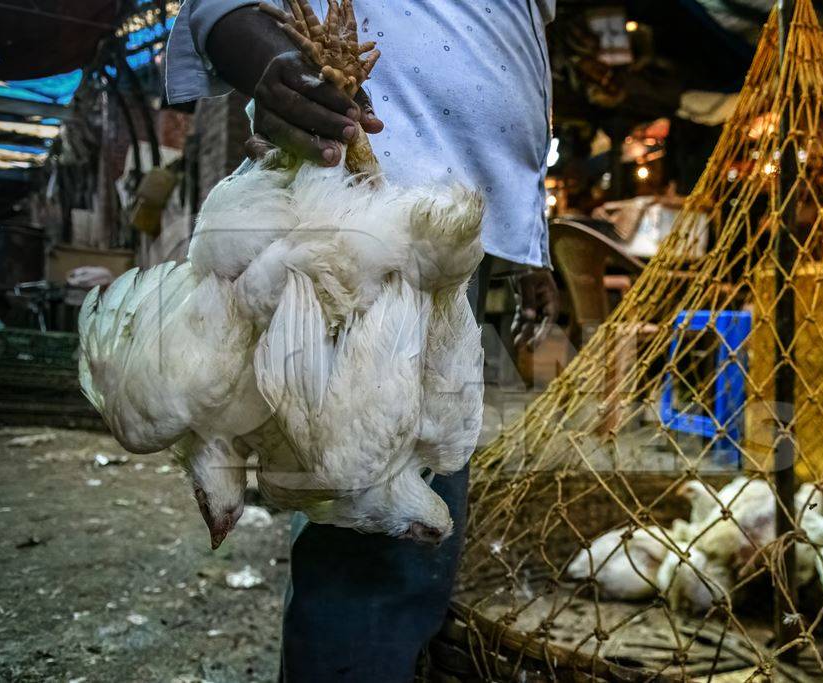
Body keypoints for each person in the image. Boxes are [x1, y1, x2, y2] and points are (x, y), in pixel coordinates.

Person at [166, 2, 559, 679]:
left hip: (458, 219)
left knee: (416, 503)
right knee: (376, 534)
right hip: (371, 201)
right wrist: (262, 58)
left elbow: (507, 42)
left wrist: (529, 236)